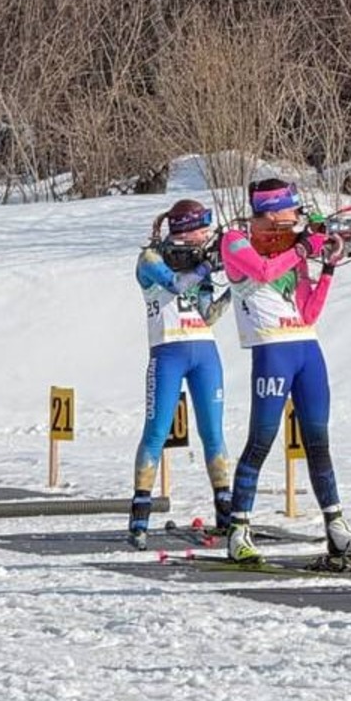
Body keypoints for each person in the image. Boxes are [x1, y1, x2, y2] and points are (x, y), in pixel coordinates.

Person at [219, 178, 351, 563]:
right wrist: (303, 247)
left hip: (306, 346)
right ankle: (238, 529)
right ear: (273, 213)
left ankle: (336, 527)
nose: (298, 213)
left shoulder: (293, 249)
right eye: (292, 207)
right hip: (272, 348)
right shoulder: (235, 240)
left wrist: (328, 268)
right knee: (261, 440)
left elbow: (308, 312)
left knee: (318, 441)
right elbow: (263, 271)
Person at [128, 199, 233, 549]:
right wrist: (205, 266)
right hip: (168, 351)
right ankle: (140, 515)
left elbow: (208, 314)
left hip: (204, 351)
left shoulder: (198, 259)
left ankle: (226, 511)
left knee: (213, 433)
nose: (207, 234)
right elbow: (175, 284)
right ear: (185, 229)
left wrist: (237, 286)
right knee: (157, 432)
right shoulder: (150, 258)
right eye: (202, 229)